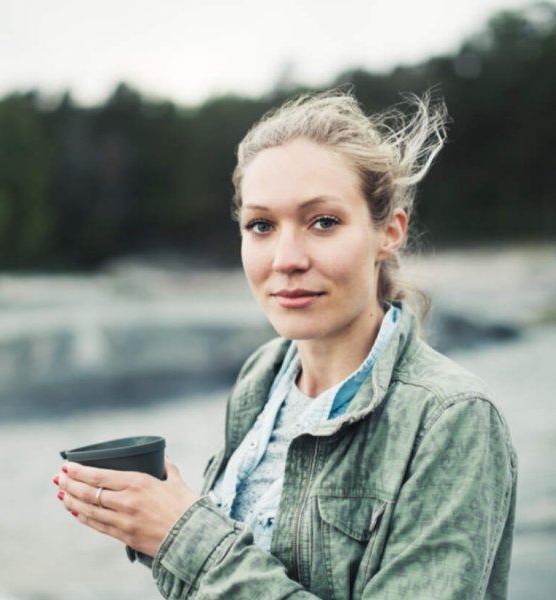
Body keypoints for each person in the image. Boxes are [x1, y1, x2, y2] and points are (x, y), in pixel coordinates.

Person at [54, 89, 518, 599]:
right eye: (262, 226)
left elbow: (206, 557)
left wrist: (183, 535)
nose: (286, 259)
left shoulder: (451, 419)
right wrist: (149, 523)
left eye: (323, 222)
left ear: (389, 232)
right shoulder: (262, 378)